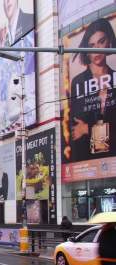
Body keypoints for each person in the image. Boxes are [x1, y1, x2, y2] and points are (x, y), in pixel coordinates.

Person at [66, 18, 116, 163]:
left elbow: (82, 129)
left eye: (101, 41)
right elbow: (76, 131)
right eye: (91, 45)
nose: (96, 50)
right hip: (85, 163)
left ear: (109, 42)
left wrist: (87, 128)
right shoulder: (79, 83)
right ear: (86, 50)